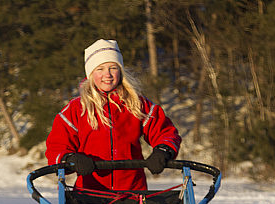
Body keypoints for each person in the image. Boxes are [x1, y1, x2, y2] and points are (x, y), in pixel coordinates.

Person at [46, 38, 182, 191]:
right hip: (90, 195)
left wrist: (162, 151)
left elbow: (165, 132)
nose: (108, 74)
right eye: (100, 69)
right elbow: (56, 147)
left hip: (133, 192)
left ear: (120, 71)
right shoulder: (76, 109)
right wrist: (70, 159)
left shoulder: (137, 104)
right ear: (90, 73)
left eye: (113, 68)